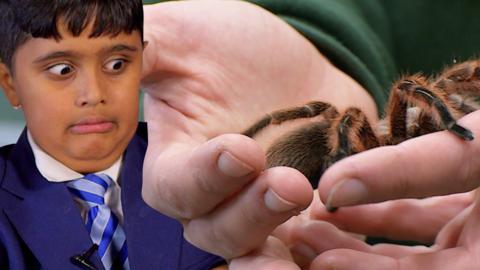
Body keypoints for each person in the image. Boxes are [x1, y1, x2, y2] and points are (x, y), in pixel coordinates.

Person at [139, 0, 480, 269]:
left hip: (404, 229)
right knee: (374, 101)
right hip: (319, 164)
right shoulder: (384, 126)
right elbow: (405, 91)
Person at [0, 1, 231, 269]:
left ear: (142, 63)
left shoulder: (199, 166)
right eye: (62, 70)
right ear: (10, 83)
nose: (95, 94)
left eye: (117, 64)